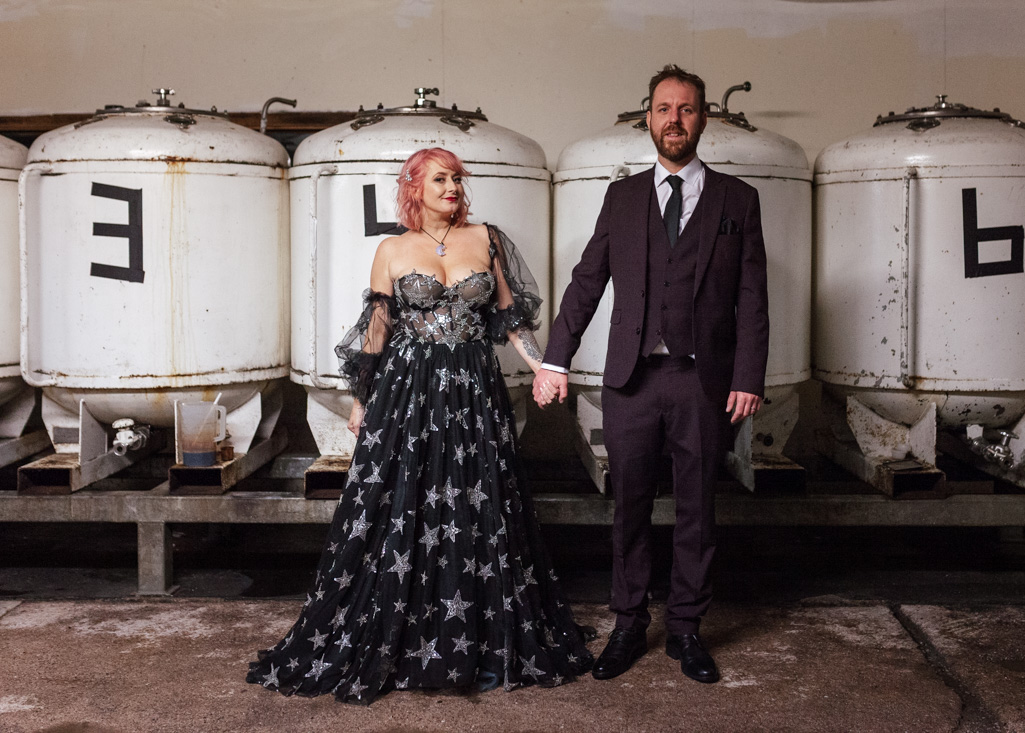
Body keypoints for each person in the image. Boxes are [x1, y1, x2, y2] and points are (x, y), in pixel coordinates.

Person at [247, 147, 593, 704]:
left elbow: (509, 318)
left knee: (478, 502)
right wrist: (361, 399)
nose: (452, 186)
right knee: (402, 503)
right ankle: (405, 634)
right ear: (414, 186)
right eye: (440, 178)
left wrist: (543, 368)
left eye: (457, 177)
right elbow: (377, 332)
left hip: (474, 389)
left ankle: (476, 637)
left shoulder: (487, 238)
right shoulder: (391, 249)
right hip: (408, 392)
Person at [533, 65, 769, 684]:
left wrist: (749, 375)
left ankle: (687, 630)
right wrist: (556, 357)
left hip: (703, 380)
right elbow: (588, 282)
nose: (674, 120)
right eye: (664, 109)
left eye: (686, 109)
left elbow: (752, 297)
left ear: (703, 119)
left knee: (697, 509)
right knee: (629, 507)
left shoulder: (738, 200)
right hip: (631, 380)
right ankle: (630, 622)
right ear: (648, 118)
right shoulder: (623, 196)